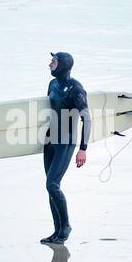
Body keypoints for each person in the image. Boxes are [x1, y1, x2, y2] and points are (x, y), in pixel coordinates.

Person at [41, 52, 90, 245]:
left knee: (52, 185)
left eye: (53, 62)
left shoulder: (76, 89)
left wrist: (83, 148)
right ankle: (56, 232)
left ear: (62, 65)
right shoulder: (52, 85)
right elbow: (47, 111)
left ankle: (66, 226)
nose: (50, 64)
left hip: (66, 142)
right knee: (51, 188)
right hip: (50, 140)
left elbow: (87, 118)